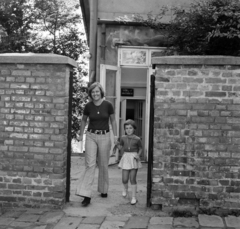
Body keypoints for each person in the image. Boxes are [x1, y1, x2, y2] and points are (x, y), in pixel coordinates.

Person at [75, 82, 118, 207]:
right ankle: (86, 194)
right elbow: (83, 120)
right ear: (90, 94)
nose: (95, 94)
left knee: (104, 164)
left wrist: (115, 136)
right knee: (90, 164)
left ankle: (103, 189)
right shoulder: (88, 106)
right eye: (93, 92)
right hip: (91, 136)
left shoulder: (108, 105)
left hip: (105, 135)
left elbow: (113, 120)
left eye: (97, 91)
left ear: (101, 92)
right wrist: (81, 134)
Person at [116, 119, 142, 205]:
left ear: (134, 129)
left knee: (132, 179)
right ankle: (125, 189)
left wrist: (138, 154)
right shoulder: (123, 137)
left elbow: (141, 148)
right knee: (124, 179)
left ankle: (133, 197)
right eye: (126, 128)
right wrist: (117, 144)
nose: (128, 130)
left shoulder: (137, 139)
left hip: (134, 158)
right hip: (126, 157)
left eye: (130, 128)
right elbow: (120, 147)